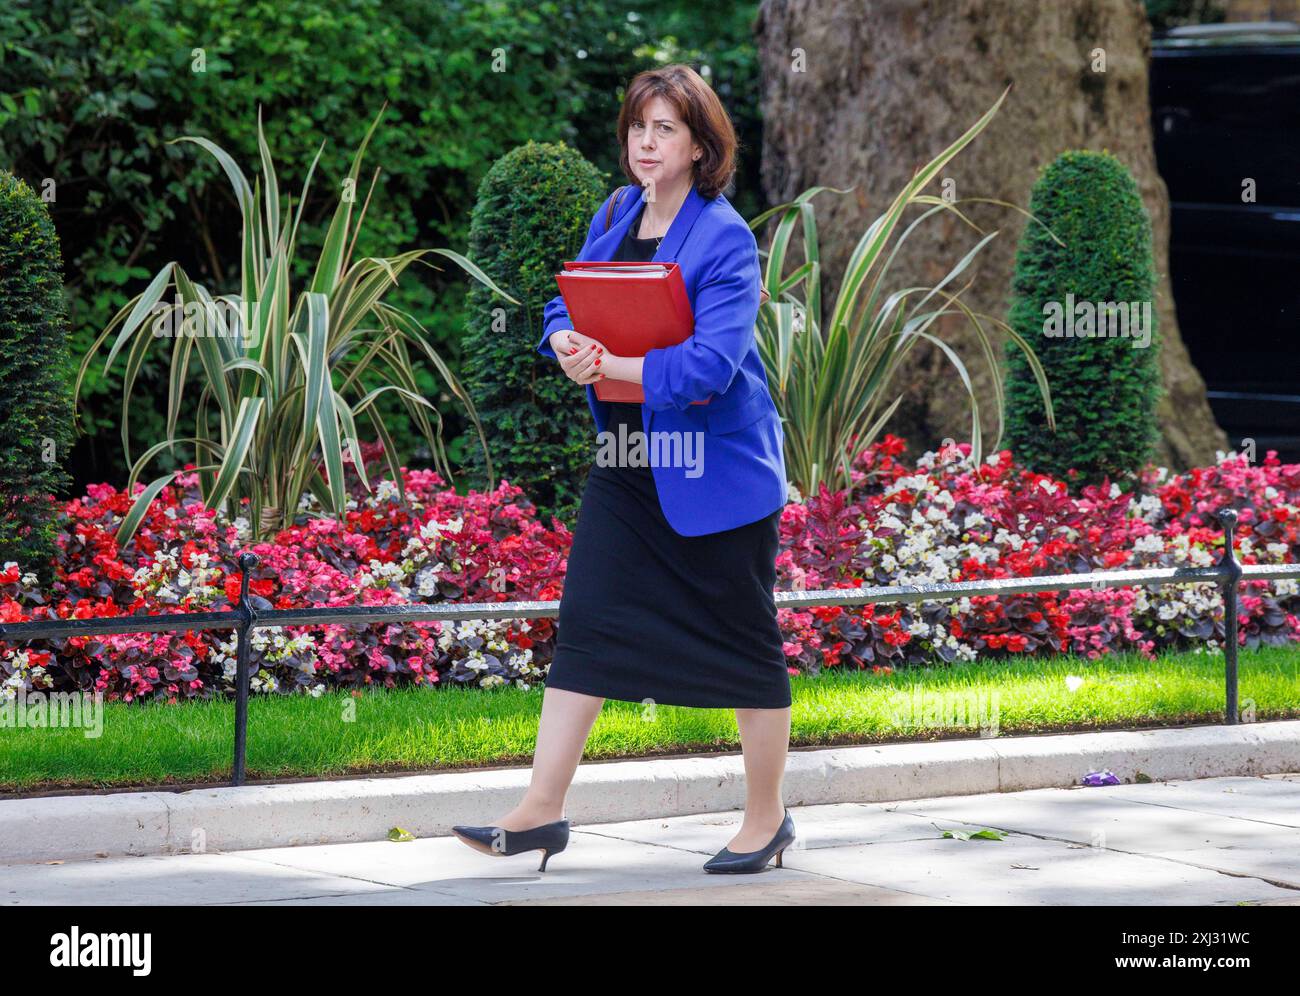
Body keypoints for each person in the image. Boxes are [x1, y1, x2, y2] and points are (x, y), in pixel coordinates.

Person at [452, 63, 795, 875]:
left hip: (716, 468)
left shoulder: (726, 237)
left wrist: (618, 362)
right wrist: (567, 344)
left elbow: (712, 366)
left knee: (746, 643)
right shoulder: (615, 212)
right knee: (590, 622)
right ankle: (540, 810)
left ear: (701, 143)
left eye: (665, 129)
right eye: (639, 127)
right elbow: (566, 300)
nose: (646, 143)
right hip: (630, 457)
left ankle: (766, 816)